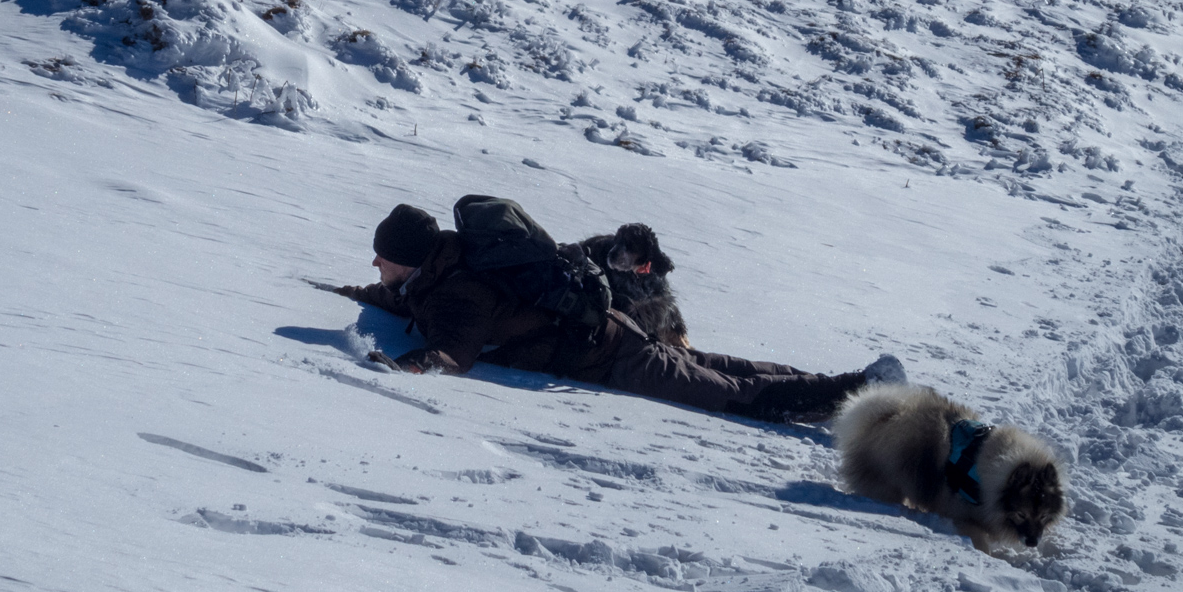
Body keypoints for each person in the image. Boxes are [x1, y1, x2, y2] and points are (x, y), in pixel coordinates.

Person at [321, 203, 907, 423]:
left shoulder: (457, 291)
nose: (375, 264)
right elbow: (399, 297)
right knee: (724, 366)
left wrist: (410, 365)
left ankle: (858, 389)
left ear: (410, 259)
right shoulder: (442, 270)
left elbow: (458, 350)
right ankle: (857, 384)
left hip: (606, 354)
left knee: (728, 392)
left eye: (382, 258)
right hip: (609, 335)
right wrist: (353, 292)